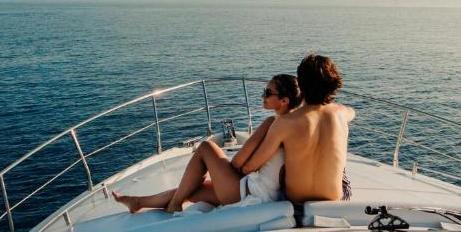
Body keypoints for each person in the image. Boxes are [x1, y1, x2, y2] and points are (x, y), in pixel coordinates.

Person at [112, 74, 302, 213]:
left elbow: (238, 162)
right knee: (192, 189)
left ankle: (174, 205)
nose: (263, 96)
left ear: (284, 101)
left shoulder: (272, 123)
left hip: (249, 194)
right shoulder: (295, 126)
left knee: (206, 147)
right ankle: (138, 202)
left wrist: (223, 169)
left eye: (268, 92)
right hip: (266, 196)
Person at [238, 54, 355, 203]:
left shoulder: (284, 122)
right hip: (335, 201)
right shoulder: (342, 113)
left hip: (296, 203)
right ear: (332, 85)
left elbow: (249, 167)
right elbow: (352, 112)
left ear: (301, 85)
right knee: (341, 167)